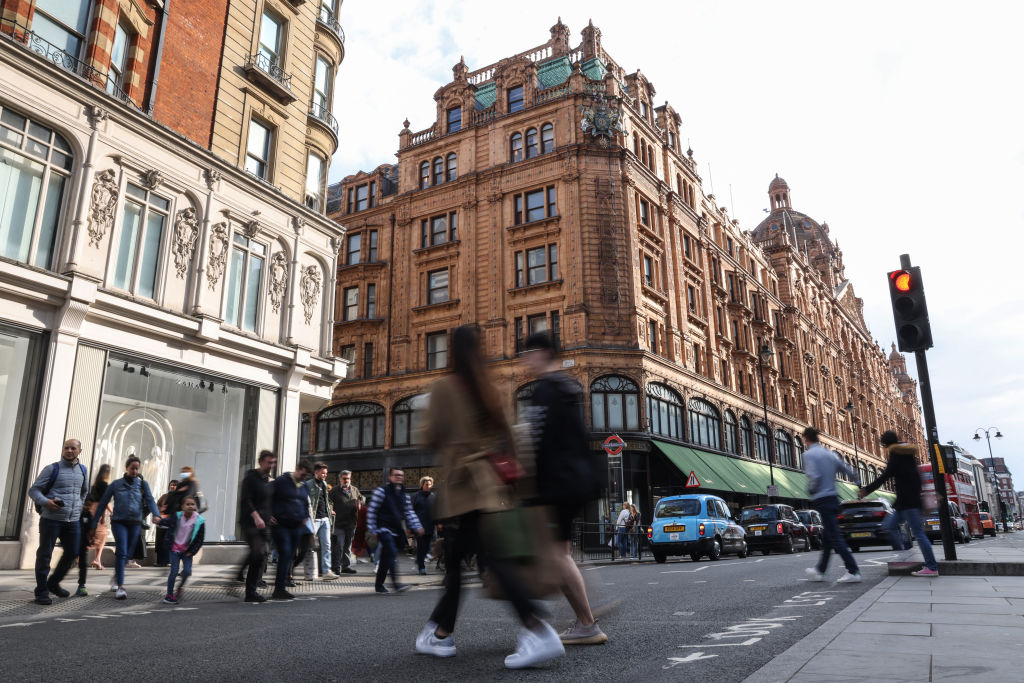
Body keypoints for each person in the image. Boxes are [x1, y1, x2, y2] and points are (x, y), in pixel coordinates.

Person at [416, 325, 565, 669]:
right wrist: (519, 487)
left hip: (463, 488)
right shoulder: (490, 389)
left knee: (489, 560)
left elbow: (428, 438)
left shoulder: (443, 388)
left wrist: (426, 410)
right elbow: (511, 441)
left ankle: (536, 628)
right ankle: (440, 634)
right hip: (490, 488)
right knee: (457, 562)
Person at [521, 332, 607, 646]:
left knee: (557, 554)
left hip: (559, 483)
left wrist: (531, 491)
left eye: (528, 352)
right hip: (577, 480)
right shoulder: (568, 385)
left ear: (542, 353)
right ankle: (588, 612)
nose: (524, 359)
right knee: (562, 552)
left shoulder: (545, 390)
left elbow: (537, 442)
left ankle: (587, 621)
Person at [860, 431, 939, 577]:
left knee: (919, 534)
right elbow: (917, 476)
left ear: (886, 444)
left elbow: (885, 476)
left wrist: (867, 490)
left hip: (908, 502)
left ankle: (932, 567)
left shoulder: (896, 455)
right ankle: (904, 554)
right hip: (905, 501)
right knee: (888, 526)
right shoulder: (908, 454)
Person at [89, 455, 162, 600]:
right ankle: (121, 587)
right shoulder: (116, 484)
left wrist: (156, 514)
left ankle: (116, 576)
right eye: (132, 468)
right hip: (119, 522)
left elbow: (150, 500)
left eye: (137, 469)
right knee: (122, 551)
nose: (134, 471)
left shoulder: (142, 484)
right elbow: (103, 503)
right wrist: (94, 522)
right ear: (126, 468)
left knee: (128, 554)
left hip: (135, 522)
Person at [28, 439, 89, 605]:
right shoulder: (52, 469)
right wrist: (46, 502)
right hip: (51, 520)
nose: (69, 450)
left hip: (73, 521)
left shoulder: (83, 470)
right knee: (45, 555)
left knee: (72, 553)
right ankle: (41, 592)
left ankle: (53, 583)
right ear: (63, 449)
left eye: (73, 448)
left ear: (79, 451)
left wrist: (76, 508)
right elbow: (33, 490)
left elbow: (83, 493)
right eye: (66, 448)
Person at [802, 426, 862, 583]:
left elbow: (814, 476)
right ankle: (820, 570)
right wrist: (857, 481)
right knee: (828, 537)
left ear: (806, 439)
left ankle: (853, 570)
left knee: (835, 537)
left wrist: (811, 489)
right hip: (834, 498)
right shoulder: (829, 453)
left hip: (822, 499)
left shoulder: (808, 454)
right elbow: (846, 468)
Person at [367, 467, 424, 594]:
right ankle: (396, 584)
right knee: (391, 552)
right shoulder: (381, 492)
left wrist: (417, 526)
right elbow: (372, 510)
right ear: (390, 477)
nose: (399, 477)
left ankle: (379, 586)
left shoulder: (404, 495)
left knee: (386, 558)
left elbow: (409, 512)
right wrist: (372, 529)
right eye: (396, 475)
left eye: (401, 475)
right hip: (382, 528)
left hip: (395, 529)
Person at [270, 459, 313, 600]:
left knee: (290, 556)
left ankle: (281, 586)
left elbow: (305, 503)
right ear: (297, 469)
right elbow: (267, 497)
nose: (304, 478)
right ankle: (279, 589)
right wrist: (268, 515)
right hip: (281, 525)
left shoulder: (305, 486)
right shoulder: (281, 481)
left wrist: (305, 517)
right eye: (303, 474)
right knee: (286, 553)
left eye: (306, 476)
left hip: (297, 526)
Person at [239, 450, 275, 602]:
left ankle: (249, 587)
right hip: (251, 522)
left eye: (273, 463)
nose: (271, 466)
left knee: (261, 556)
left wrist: (270, 516)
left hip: (265, 523)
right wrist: (256, 516)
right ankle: (250, 591)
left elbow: (267, 501)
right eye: (268, 462)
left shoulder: (268, 481)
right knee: (259, 553)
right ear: (260, 462)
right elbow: (247, 500)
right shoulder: (251, 478)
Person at [75, 464, 111, 596]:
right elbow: (105, 502)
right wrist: (109, 513)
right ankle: (95, 559)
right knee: (101, 535)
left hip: (92, 509)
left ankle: (87, 558)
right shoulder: (104, 485)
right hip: (98, 510)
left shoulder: (95, 484)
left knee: (94, 535)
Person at [163, 495, 205, 604]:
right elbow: (168, 522)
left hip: (187, 551)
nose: (190, 506)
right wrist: (159, 521)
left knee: (187, 571)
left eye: (192, 504)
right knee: (174, 571)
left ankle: (180, 587)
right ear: (182, 507)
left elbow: (200, 539)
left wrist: (193, 551)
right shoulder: (177, 516)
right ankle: (169, 594)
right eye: (188, 504)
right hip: (175, 549)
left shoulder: (199, 521)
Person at [305, 462, 339, 581]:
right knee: (310, 546)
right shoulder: (308, 484)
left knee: (327, 545)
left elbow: (325, 500)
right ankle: (309, 572)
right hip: (314, 519)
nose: (325, 475)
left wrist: (330, 511)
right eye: (323, 473)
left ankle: (326, 571)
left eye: (326, 473)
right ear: (316, 472)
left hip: (325, 519)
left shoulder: (324, 484)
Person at [329, 470, 360, 574]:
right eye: (344, 478)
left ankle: (346, 566)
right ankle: (336, 567)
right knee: (338, 546)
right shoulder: (334, 490)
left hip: (351, 523)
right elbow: (328, 501)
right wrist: (330, 509)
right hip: (339, 523)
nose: (346, 480)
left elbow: (362, 498)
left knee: (347, 546)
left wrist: (360, 502)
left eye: (348, 478)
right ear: (340, 479)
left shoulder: (355, 490)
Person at [412, 476, 436, 575]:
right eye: (427, 484)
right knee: (421, 547)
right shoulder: (416, 496)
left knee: (427, 548)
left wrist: (438, 523)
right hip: (419, 527)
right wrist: (411, 526)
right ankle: (422, 567)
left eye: (430, 484)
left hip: (430, 527)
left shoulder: (433, 496)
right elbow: (410, 511)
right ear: (422, 485)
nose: (429, 486)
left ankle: (419, 560)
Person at [154, 480, 178, 567]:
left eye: (175, 485)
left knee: (168, 543)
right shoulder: (164, 496)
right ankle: (160, 561)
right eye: (171, 485)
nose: (172, 487)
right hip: (161, 522)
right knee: (159, 543)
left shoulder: (178, 497)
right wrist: (160, 512)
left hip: (170, 523)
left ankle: (168, 561)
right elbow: (157, 505)